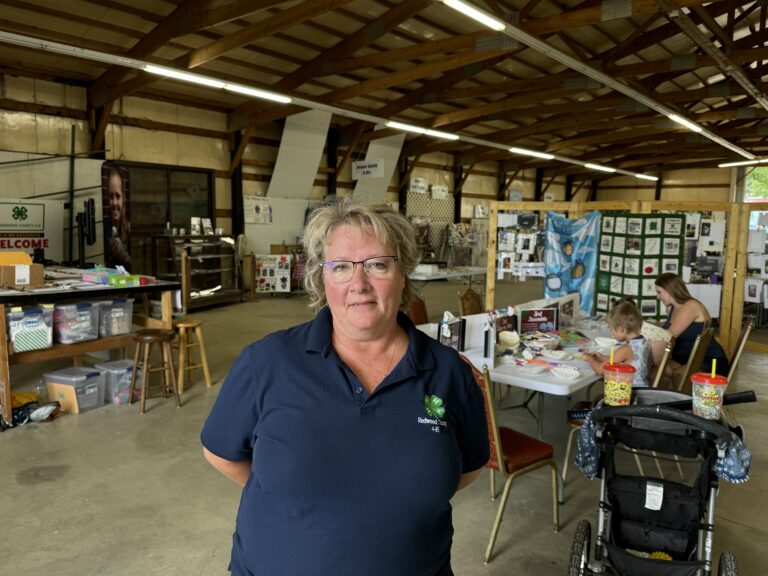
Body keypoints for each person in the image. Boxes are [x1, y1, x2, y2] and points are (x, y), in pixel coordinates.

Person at [200, 197, 490, 576]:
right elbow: (221, 453)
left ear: (403, 275)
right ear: (322, 277)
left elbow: (468, 468)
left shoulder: (449, 373)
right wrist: (291, 493)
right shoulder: (267, 363)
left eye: (378, 264)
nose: (359, 284)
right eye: (341, 267)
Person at [654, 272, 729, 378]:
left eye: (659, 292)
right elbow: (665, 326)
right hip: (687, 360)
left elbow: (668, 335)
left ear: (669, 290)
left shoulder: (690, 306)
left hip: (708, 361)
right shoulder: (675, 307)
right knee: (653, 371)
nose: (658, 296)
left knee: (670, 375)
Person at [582, 299, 651, 387]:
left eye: (611, 330)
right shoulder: (643, 342)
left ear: (620, 329)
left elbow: (600, 370)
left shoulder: (626, 348)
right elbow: (629, 360)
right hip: (645, 390)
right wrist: (604, 358)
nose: (611, 334)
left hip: (630, 394)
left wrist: (588, 358)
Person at [105, 164, 130, 268]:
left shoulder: (130, 229)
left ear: (123, 198)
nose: (114, 203)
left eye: (118, 196)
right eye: (111, 196)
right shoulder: (105, 228)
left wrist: (124, 257)